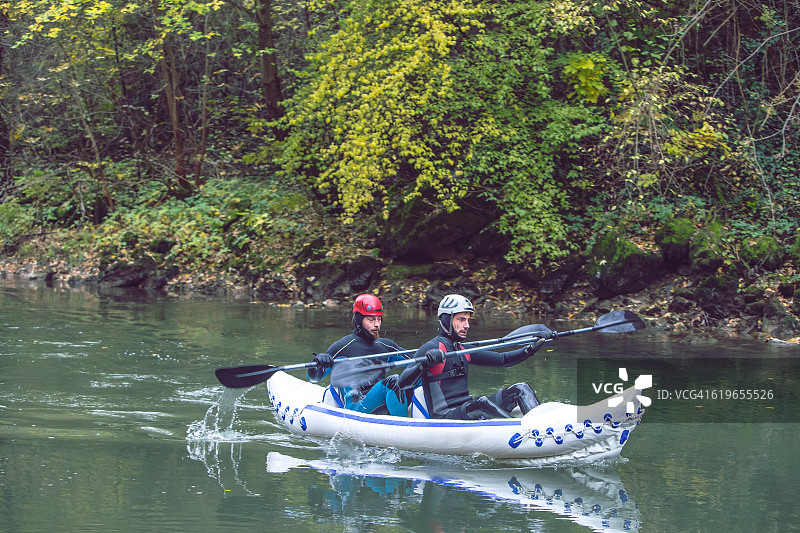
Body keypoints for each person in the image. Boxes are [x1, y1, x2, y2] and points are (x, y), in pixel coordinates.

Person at [399, 294, 545, 420]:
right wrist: (423, 364)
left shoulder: (463, 349)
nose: (467, 325)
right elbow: (402, 383)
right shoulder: (430, 348)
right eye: (461, 319)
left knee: (520, 388)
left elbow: (502, 360)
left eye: (468, 320)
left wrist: (530, 350)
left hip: (466, 408)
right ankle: (517, 429)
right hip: (445, 415)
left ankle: (542, 424)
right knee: (481, 403)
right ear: (446, 320)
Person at [307, 294, 410, 416]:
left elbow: (417, 360)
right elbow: (313, 378)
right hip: (355, 408)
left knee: (417, 376)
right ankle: (405, 427)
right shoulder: (343, 347)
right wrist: (318, 363)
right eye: (370, 319)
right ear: (358, 320)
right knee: (393, 381)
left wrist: (432, 354)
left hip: (380, 403)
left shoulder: (386, 346)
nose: (376, 324)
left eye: (379, 319)